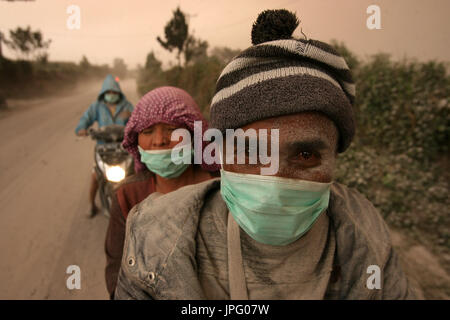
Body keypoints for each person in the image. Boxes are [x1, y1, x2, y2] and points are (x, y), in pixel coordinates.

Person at [114, 10, 418, 299]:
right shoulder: (151, 238)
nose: (274, 183)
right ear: (220, 152)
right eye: (249, 151)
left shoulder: (368, 239)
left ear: (334, 157)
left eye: (305, 154)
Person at [104, 86, 216, 299]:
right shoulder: (127, 196)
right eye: (147, 131)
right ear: (137, 140)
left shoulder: (220, 186)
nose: (159, 140)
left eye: (172, 130)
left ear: (194, 134)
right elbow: (115, 268)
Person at [75, 74, 134, 217]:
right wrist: (82, 129)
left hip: (124, 147)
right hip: (103, 148)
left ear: (119, 92)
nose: (111, 95)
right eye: (109, 92)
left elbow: (136, 120)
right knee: (96, 176)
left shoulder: (127, 106)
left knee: (135, 174)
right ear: (104, 93)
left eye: (114, 92)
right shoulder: (96, 106)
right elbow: (84, 120)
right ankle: (91, 205)